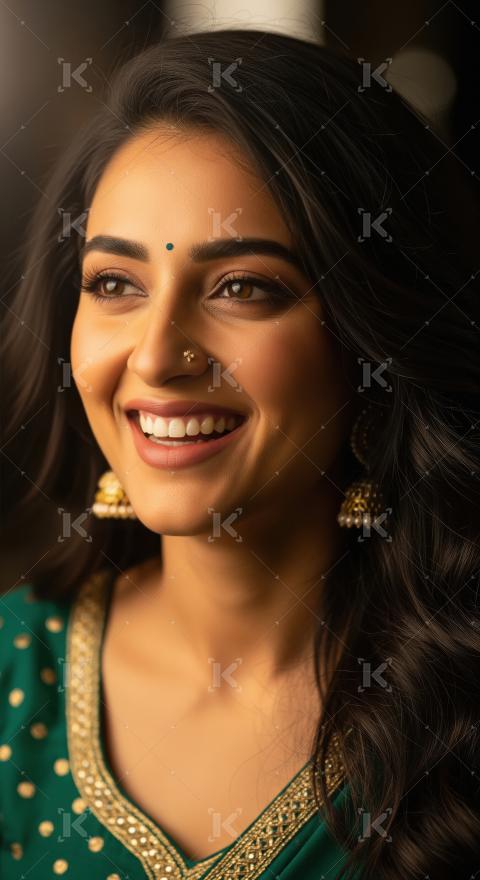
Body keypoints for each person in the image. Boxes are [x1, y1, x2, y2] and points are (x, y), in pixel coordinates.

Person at [1, 28, 479, 880]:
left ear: (372, 347)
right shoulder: (12, 674)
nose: (154, 358)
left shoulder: (457, 700)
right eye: (115, 284)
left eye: (241, 288)